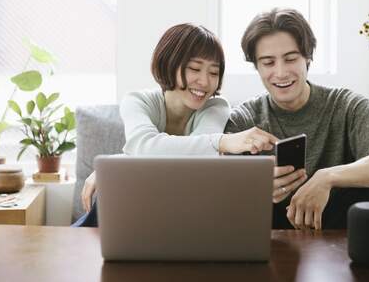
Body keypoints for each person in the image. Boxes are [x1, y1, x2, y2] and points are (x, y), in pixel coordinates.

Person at [225, 8, 369, 230]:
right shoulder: (244, 118)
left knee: (367, 195)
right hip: (272, 239)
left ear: (307, 57)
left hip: (336, 235)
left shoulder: (347, 105)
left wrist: (327, 177)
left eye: (291, 59)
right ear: (257, 66)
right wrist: (257, 187)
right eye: (268, 62)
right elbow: (217, 190)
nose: (281, 72)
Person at [77, 23, 278, 222]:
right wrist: (223, 141)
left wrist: (118, 163)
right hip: (135, 211)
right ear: (169, 64)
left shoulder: (215, 107)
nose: (205, 82)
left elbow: (191, 165)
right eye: (194, 68)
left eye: (213, 73)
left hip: (183, 214)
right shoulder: (137, 101)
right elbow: (144, 147)